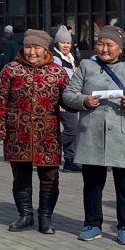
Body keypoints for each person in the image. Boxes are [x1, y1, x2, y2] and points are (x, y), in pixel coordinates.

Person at [62, 25, 125, 245]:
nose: (104, 49)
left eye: (110, 45)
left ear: (120, 48)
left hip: (124, 137)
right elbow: (68, 94)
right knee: (92, 185)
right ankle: (92, 224)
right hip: (92, 135)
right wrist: (84, 101)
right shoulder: (87, 66)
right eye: (101, 44)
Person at [0, 29, 69, 234]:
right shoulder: (11, 69)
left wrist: (82, 102)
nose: (32, 52)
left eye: (37, 48)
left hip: (48, 133)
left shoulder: (57, 72)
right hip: (18, 132)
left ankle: (46, 217)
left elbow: (68, 99)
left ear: (46, 50)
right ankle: (25, 215)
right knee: (21, 176)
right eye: (28, 47)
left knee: (50, 176)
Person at [51, 25, 81, 173]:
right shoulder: (55, 59)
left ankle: (69, 160)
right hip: (63, 101)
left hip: (72, 99)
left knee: (74, 129)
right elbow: (54, 83)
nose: (66, 45)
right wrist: (59, 102)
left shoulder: (70, 57)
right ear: (57, 43)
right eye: (63, 42)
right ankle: (48, 149)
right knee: (72, 129)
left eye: (68, 43)